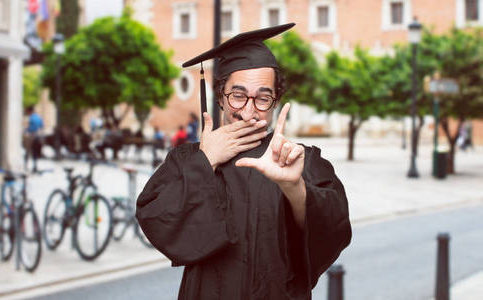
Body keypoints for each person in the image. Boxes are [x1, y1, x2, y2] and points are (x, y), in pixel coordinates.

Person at [136, 23, 351, 300]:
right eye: (238, 96)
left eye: (263, 98)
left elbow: (334, 230)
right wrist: (207, 160)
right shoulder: (188, 160)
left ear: (275, 101)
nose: (249, 111)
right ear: (221, 98)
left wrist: (294, 187)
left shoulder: (299, 160)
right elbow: (155, 219)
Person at [23, 106, 44, 172]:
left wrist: (26, 131)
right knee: (35, 151)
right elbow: (42, 126)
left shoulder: (31, 118)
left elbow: (29, 128)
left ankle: (25, 166)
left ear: (29, 111)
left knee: (27, 150)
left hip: (32, 135)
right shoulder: (38, 117)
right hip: (38, 135)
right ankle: (35, 166)